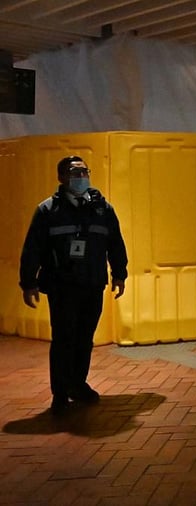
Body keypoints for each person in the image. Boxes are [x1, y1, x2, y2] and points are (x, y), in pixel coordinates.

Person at [19, 155, 128, 416]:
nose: (80, 178)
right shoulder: (48, 210)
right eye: (73, 173)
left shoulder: (102, 209)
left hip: (93, 284)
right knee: (63, 339)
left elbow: (115, 243)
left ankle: (78, 384)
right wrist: (28, 283)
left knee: (84, 339)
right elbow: (32, 248)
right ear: (61, 178)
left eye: (84, 172)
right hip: (62, 287)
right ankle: (60, 392)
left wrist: (119, 274)